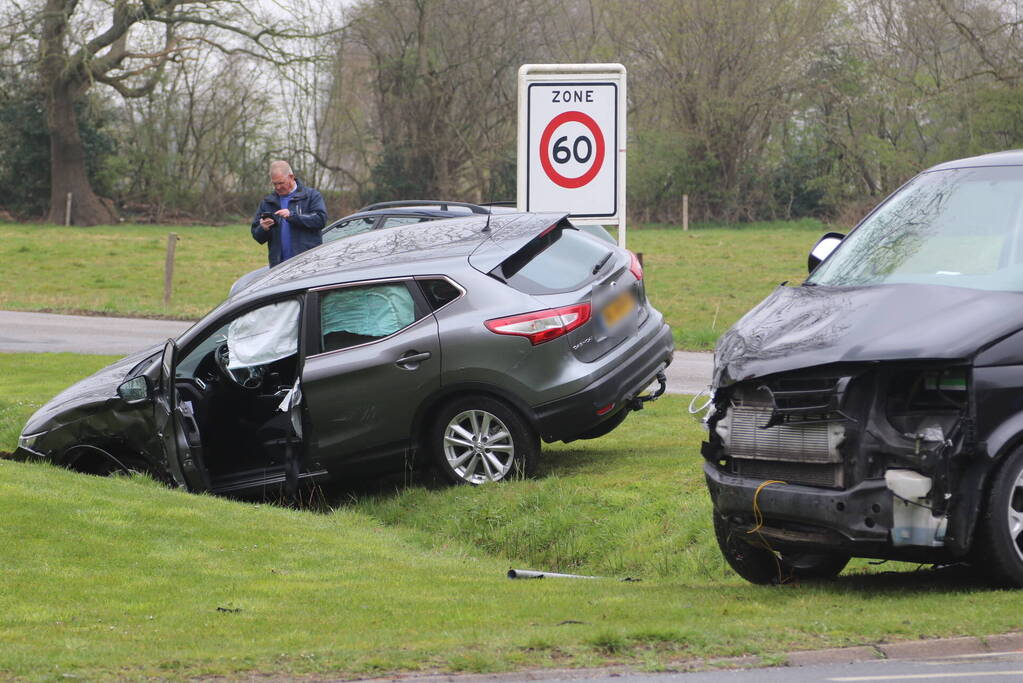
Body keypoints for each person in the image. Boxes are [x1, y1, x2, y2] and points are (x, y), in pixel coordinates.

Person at [251, 160, 327, 267]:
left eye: (281, 183)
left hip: (307, 264)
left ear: (291, 177)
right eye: (274, 184)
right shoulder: (268, 202)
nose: (277, 187)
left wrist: (293, 216)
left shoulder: (311, 196)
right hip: (279, 266)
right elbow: (257, 236)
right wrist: (263, 228)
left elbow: (320, 219)